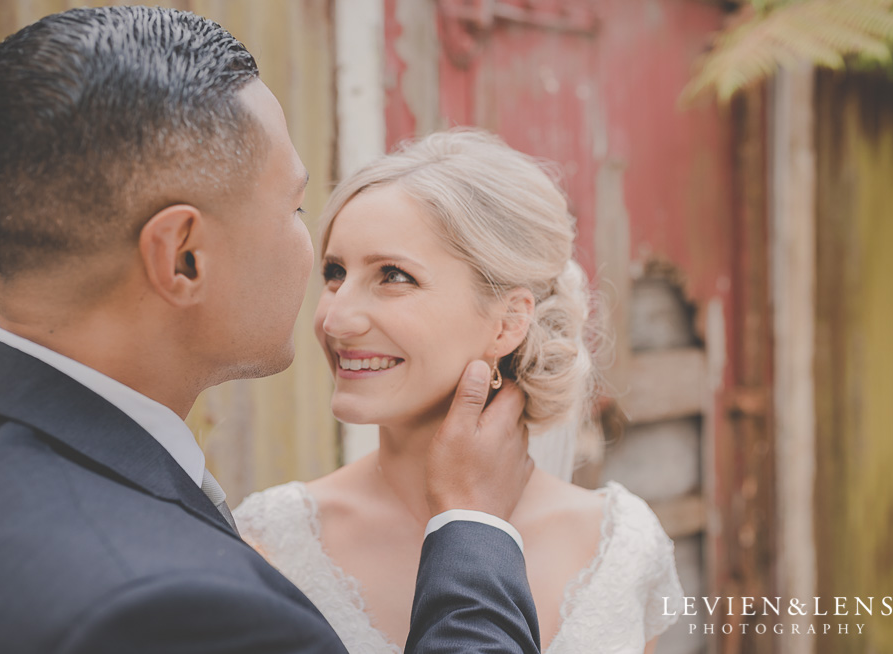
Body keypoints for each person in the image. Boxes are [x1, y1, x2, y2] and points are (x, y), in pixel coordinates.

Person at [0, 7, 542, 653]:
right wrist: (473, 523)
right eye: (294, 207)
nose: (332, 309)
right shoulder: (177, 606)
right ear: (183, 257)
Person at [236, 129, 684, 653]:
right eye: (335, 273)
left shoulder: (621, 546)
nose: (334, 318)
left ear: (507, 322)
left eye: (393, 276)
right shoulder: (270, 544)